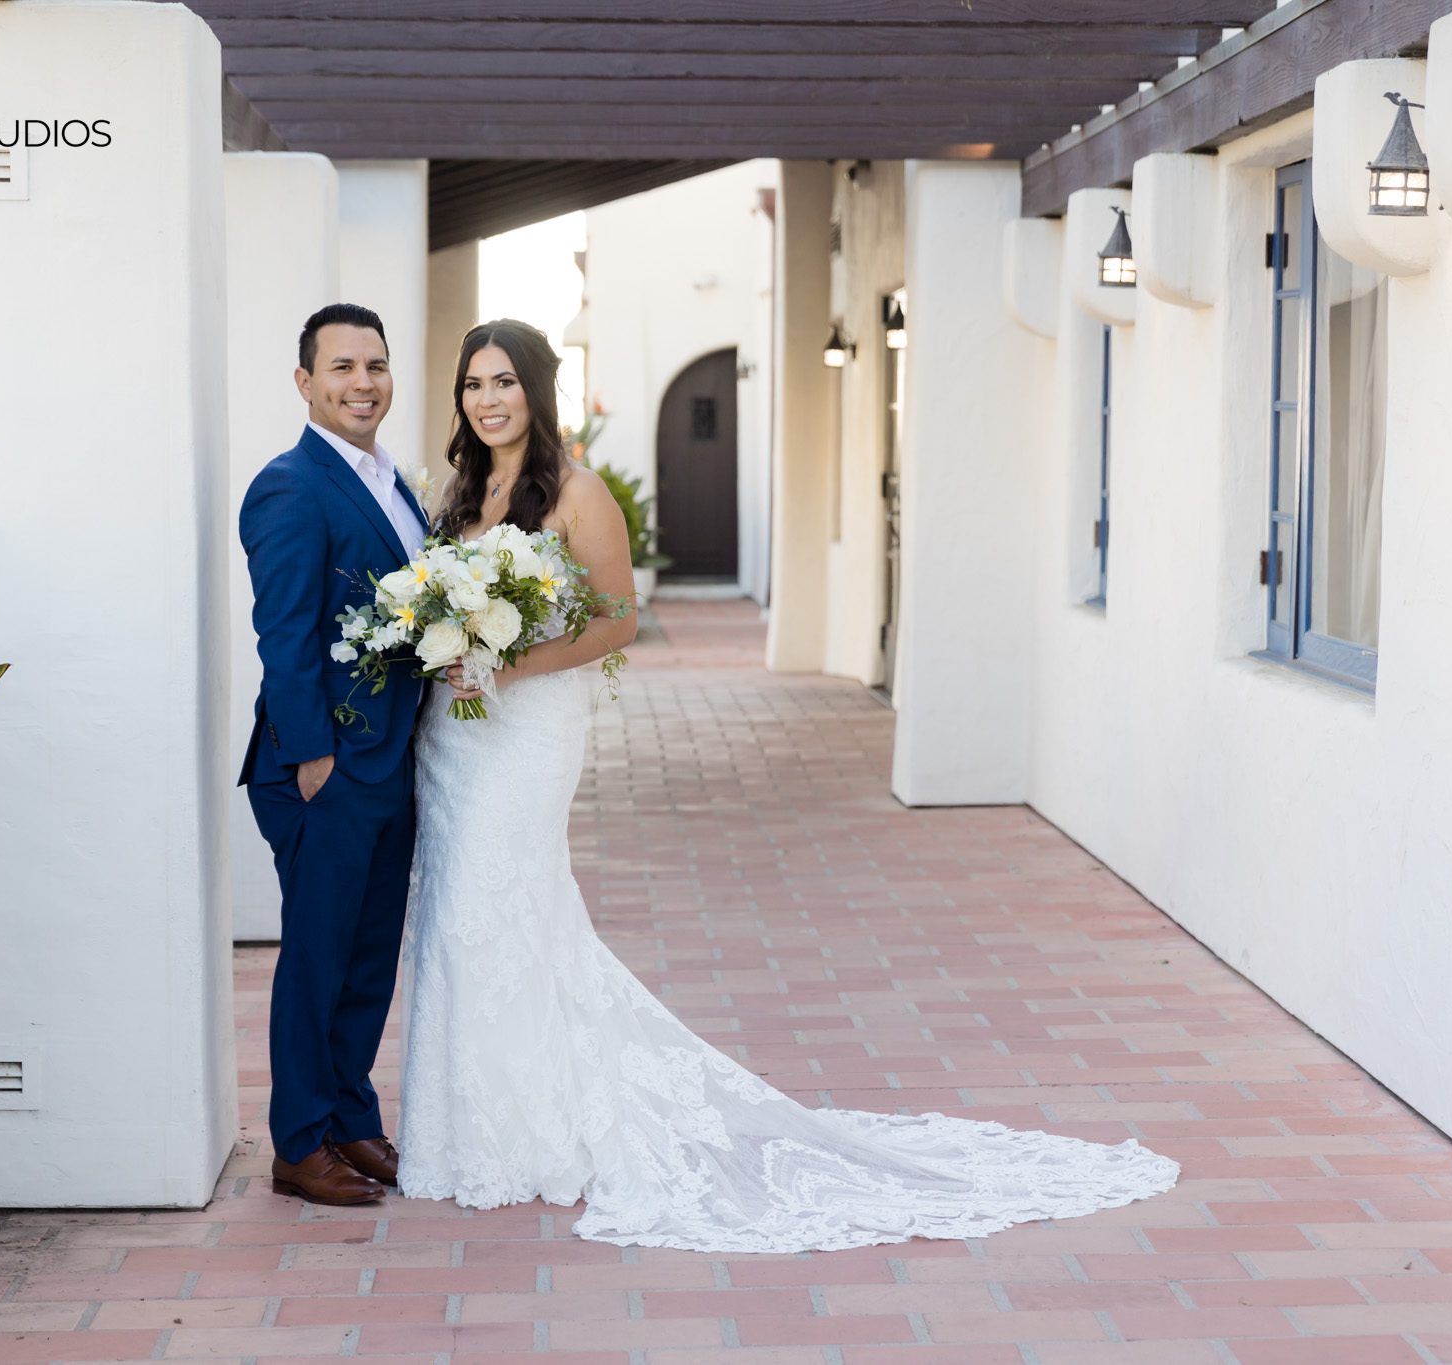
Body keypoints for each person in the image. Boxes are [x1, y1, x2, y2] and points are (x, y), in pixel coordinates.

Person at [395, 319, 1180, 1252]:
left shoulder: (576, 492)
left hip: (524, 733)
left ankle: (538, 1128)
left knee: (507, 905)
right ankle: (474, 1123)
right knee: (452, 915)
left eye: (505, 382)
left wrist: (513, 665)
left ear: (537, 390)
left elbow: (616, 620)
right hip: (457, 737)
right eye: (474, 384)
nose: (489, 400)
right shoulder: (454, 494)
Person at [238, 303, 428, 1206]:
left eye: (377, 365)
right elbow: (283, 634)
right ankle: (298, 1140)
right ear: (305, 380)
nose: (363, 382)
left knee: (368, 951)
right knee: (317, 953)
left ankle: (350, 1115)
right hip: (324, 768)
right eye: (343, 366)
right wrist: (315, 758)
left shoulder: (395, 483)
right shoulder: (290, 485)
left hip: (390, 761)